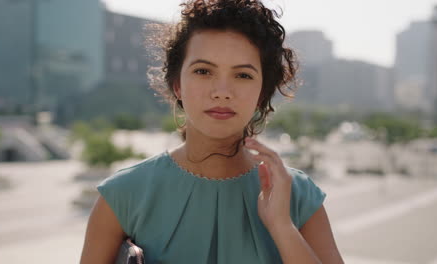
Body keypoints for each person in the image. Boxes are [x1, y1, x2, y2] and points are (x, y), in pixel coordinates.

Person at [80, 0, 344, 263]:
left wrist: (282, 227)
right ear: (177, 84)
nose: (222, 92)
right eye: (203, 71)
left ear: (262, 92)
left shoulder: (299, 196)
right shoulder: (124, 194)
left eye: (243, 75)